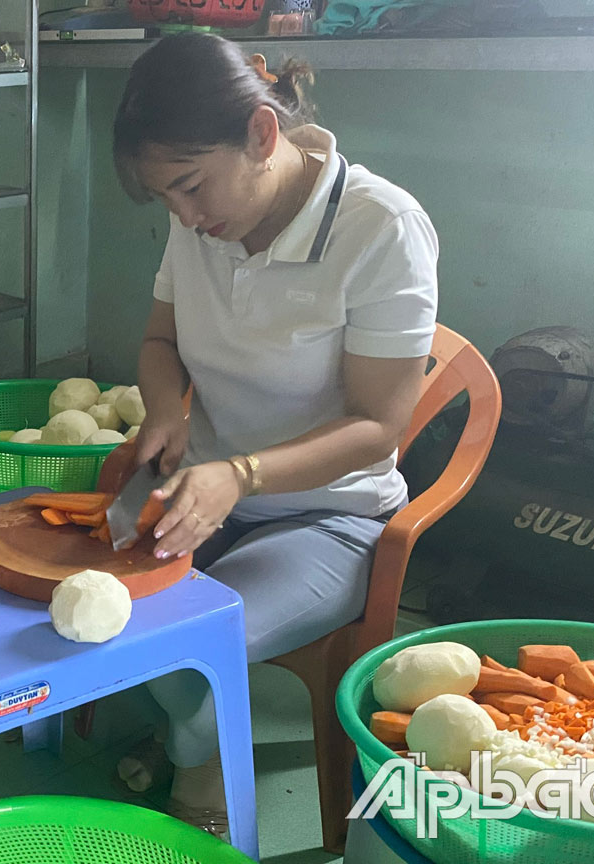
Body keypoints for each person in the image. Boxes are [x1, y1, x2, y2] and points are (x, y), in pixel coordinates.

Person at [111, 34, 438, 836]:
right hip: (205, 494)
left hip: (330, 518)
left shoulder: (381, 227)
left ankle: (205, 793)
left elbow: (377, 425)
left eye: (190, 187)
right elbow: (160, 345)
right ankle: (195, 736)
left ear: (262, 134)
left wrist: (244, 474)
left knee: (178, 638)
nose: (185, 219)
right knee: (79, 601)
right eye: (166, 201)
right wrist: (163, 412)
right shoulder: (203, 223)